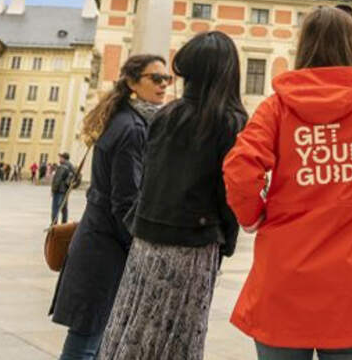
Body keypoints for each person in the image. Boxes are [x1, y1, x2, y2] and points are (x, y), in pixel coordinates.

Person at [223, 8, 352, 360]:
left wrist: (253, 217)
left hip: (283, 280)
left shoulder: (276, 108)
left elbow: (240, 167)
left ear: (304, 47)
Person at [97, 32, 249, 360]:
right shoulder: (231, 121)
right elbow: (229, 193)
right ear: (228, 72)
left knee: (134, 328)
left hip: (146, 243)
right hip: (193, 246)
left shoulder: (165, 115)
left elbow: (148, 179)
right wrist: (227, 240)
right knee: (177, 338)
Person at [50, 54, 170, 360]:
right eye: (155, 78)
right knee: (87, 339)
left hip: (100, 239)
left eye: (166, 79)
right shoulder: (132, 128)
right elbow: (125, 201)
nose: (163, 85)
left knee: (97, 333)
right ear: (132, 83)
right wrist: (139, 245)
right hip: (106, 248)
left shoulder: (126, 120)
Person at [51, 154, 77, 225]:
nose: (59, 159)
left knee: (55, 208)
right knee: (64, 208)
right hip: (65, 190)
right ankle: (64, 223)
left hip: (59, 190)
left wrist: (53, 190)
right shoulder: (71, 166)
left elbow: (58, 179)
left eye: (60, 157)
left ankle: (54, 224)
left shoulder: (62, 166)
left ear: (64, 158)